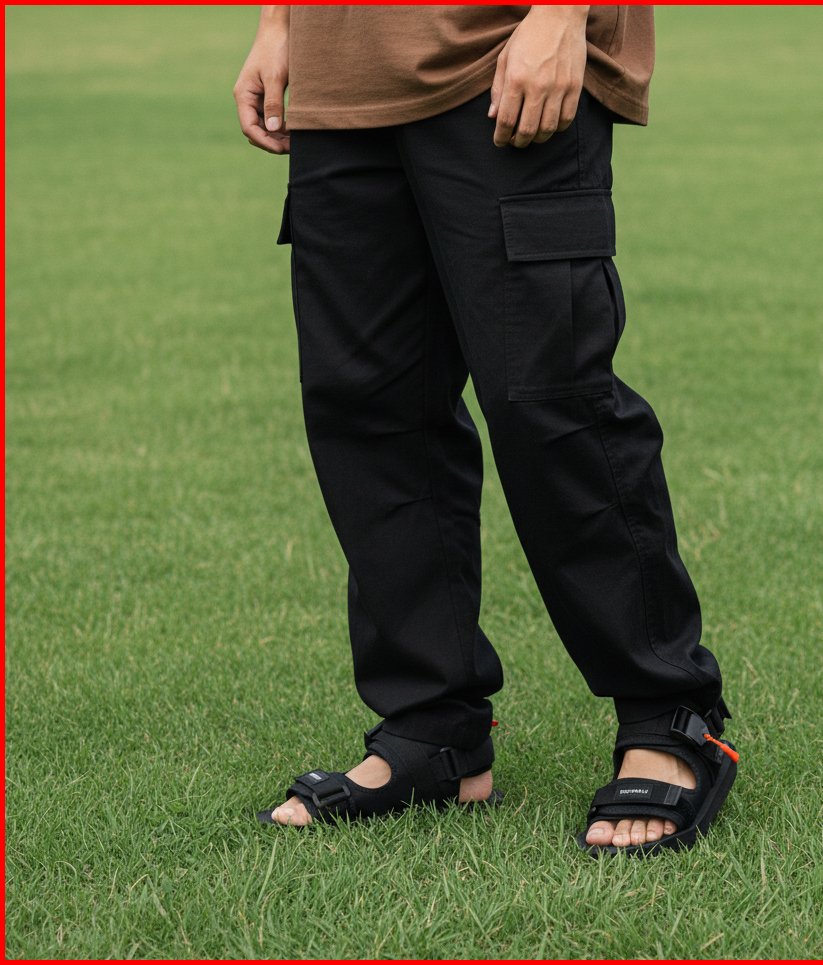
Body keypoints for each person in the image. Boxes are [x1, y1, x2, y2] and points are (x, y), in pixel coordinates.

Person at [233, 4, 737, 857]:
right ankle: (433, 729)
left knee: (549, 399)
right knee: (370, 405)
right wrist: (279, 23)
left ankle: (666, 711)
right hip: (341, 68)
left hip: (500, 51)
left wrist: (561, 15)